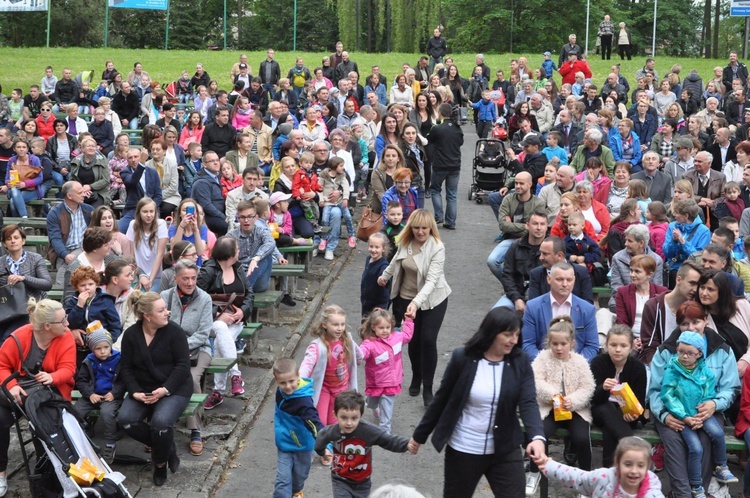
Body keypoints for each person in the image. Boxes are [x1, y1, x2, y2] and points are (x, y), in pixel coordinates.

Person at [409, 307, 547, 497]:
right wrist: (419, 436)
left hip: (505, 448)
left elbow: (528, 402)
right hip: (464, 448)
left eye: (516, 334)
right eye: (507, 335)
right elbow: (441, 399)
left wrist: (537, 438)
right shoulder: (462, 358)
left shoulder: (520, 361)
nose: (514, 340)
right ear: (491, 333)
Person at [647, 300, 740, 496]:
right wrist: (664, 415)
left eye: (696, 321)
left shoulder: (722, 349)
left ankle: (699, 490)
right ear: (678, 326)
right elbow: (655, 390)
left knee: (706, 438)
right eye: (684, 323)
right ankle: (681, 493)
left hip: (707, 410)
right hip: (671, 410)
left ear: (706, 321)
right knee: (675, 440)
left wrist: (714, 404)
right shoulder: (666, 350)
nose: (691, 327)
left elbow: (730, 388)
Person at [0, 297, 75, 496]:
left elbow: (68, 369)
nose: (67, 324)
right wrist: (13, 386)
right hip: (18, 391)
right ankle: (1, 472)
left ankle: (46, 474)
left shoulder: (65, 336)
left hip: (49, 392)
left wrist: (52, 376)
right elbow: (2, 365)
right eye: (63, 320)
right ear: (48, 326)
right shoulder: (18, 336)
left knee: (42, 421)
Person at [117, 291, 192, 486]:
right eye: (161, 310)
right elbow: (126, 368)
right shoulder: (131, 335)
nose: (167, 312)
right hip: (142, 388)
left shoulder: (175, 332)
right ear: (147, 316)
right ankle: (167, 448)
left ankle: (159, 463)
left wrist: (165, 390)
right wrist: (134, 392)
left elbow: (183, 366)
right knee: (126, 420)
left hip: (174, 388)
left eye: (165, 308)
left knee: (161, 423)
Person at [377, 210, 450, 405]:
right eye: (416, 228)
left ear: (430, 229)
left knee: (427, 340)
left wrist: (416, 303)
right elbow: (395, 261)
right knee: (413, 341)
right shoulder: (404, 241)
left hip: (432, 299)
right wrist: (385, 276)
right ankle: (416, 376)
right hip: (405, 298)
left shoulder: (437, 248)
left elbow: (432, 281)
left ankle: (428, 387)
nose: (420, 232)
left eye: (424, 228)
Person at [526, 315, 596, 494]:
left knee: (581, 438)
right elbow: (537, 381)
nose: (558, 348)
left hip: (574, 410)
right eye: (554, 344)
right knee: (540, 434)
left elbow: (588, 387)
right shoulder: (542, 359)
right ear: (549, 342)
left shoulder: (579, 362)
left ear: (571, 344)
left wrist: (573, 401)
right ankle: (534, 472)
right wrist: (553, 395)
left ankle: (586, 480)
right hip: (549, 407)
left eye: (563, 344)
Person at [315, 391, 414, 498]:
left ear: (361, 415)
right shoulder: (332, 431)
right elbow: (321, 439)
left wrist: (406, 445)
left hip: (362, 482)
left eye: (354, 418)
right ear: (335, 414)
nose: (349, 423)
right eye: (344, 417)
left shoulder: (368, 431)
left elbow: (387, 440)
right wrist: (323, 452)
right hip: (340, 480)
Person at [197, 236, 253, 408]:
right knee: (221, 328)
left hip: (235, 320)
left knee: (223, 341)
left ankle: (218, 392)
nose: (239, 252)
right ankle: (235, 375)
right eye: (236, 250)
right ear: (229, 254)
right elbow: (197, 300)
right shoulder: (208, 272)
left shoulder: (238, 268)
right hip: (212, 321)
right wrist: (217, 315)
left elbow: (250, 293)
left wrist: (242, 311)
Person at [589, 326, 648, 469]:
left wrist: (634, 416)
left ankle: (609, 471)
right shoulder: (598, 363)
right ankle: (633, 446)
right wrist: (603, 388)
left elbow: (639, 402)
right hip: (601, 409)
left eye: (623, 345)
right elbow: (592, 398)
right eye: (613, 345)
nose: (618, 349)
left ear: (631, 347)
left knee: (610, 430)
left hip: (625, 414)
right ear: (606, 345)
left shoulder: (638, 368)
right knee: (607, 408)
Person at [298, 305, 362, 427]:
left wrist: (361, 358)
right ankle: (322, 443)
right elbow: (308, 363)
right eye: (335, 325)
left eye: (342, 324)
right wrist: (300, 378)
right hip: (324, 388)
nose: (340, 328)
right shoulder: (318, 346)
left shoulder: (346, 339)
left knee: (336, 422)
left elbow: (358, 352)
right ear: (324, 325)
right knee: (320, 421)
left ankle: (333, 445)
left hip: (342, 388)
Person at [522, 262, 599, 361]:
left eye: (569, 280)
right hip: (543, 368)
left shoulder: (587, 309)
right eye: (559, 279)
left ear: (574, 280)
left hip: (575, 370)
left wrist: (573, 365)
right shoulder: (533, 307)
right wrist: (547, 364)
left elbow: (592, 346)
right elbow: (527, 344)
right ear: (549, 279)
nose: (565, 284)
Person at [271, 358, 325, 498]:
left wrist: (325, 444)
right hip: (284, 443)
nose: (288, 386)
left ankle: (296, 491)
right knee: (283, 480)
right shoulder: (280, 392)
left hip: (303, 446)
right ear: (276, 381)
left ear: (298, 376)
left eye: (291, 381)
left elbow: (314, 422)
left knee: (299, 477)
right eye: (283, 382)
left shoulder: (303, 401)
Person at [538, 437, 662, 496]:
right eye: (628, 464)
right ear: (617, 462)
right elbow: (578, 477)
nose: (634, 471)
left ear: (647, 467)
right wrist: (549, 466)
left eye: (640, 466)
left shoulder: (653, 494)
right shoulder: (604, 478)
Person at [358, 309, 414, 433]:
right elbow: (363, 351)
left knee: (387, 406)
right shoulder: (370, 343)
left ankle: (385, 430)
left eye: (388, 327)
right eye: (381, 328)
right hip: (376, 381)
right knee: (372, 402)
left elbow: (407, 336)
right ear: (373, 328)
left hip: (391, 381)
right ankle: (372, 405)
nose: (385, 331)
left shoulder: (397, 337)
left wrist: (409, 320)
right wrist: (358, 354)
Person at [73, 328, 123, 463]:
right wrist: (90, 394)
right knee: (75, 413)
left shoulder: (119, 359)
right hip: (92, 395)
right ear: (91, 349)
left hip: (109, 396)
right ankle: (80, 438)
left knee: (107, 414)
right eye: (98, 348)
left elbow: (124, 381)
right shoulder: (89, 361)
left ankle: (110, 443)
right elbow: (81, 381)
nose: (102, 351)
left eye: (106, 347)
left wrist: (114, 393)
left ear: (110, 345)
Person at [487, 171, 545, 278]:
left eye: (521, 183)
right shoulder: (508, 199)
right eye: (516, 183)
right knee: (492, 261)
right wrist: (525, 226)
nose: (518, 186)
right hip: (510, 239)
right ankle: (508, 284)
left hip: (530, 242)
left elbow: (537, 229)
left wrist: (512, 225)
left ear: (530, 184)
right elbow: (503, 225)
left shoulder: (538, 203)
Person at [699, 269, 750, 376]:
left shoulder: (742, 306)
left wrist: (746, 361)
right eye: (702, 287)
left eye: (710, 289)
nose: (704, 293)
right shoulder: (698, 315)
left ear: (722, 291)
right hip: (719, 378)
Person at [47, 181, 95, 286]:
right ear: (69, 196)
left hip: (84, 249)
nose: (84, 195)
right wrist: (65, 255)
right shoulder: (55, 213)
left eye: (83, 192)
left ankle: (60, 289)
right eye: (80, 193)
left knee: (72, 264)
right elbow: (55, 239)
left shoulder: (89, 210)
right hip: (63, 252)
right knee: (71, 263)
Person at [609, 223, 664, 310]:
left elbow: (657, 287)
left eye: (630, 241)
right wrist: (632, 303)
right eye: (626, 240)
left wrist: (644, 303)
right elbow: (616, 288)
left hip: (649, 302)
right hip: (622, 301)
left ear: (641, 243)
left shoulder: (657, 260)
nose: (625, 244)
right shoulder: (618, 258)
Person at [428, 104, 463, 229]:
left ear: (440, 113)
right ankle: (450, 221)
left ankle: (439, 216)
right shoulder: (457, 128)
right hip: (455, 165)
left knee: (435, 190)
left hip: (440, 165)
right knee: (452, 193)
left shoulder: (436, 128)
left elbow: (429, 141)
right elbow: (461, 143)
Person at [664, 199, 711, 284]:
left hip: (691, 274)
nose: (674, 215)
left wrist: (683, 242)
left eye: (677, 213)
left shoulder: (704, 231)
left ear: (686, 215)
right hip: (673, 271)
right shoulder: (672, 226)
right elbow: (666, 253)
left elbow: (699, 258)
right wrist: (673, 241)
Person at [127, 197, 168, 291]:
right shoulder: (133, 225)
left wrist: (150, 280)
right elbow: (131, 255)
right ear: (139, 213)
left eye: (151, 211)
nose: (149, 215)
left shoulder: (161, 224)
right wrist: (140, 275)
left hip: (157, 275)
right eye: (145, 212)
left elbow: (160, 254)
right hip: (138, 273)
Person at [192, 151, 229, 237]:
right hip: (206, 216)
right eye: (212, 161)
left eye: (217, 160)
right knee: (225, 226)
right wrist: (223, 217)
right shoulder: (201, 182)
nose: (216, 163)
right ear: (204, 164)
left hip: (222, 212)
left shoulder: (220, 177)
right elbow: (206, 205)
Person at [70, 136, 111, 209]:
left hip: (99, 193)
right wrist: (81, 189)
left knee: (91, 212)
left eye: (93, 146)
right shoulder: (76, 161)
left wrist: (90, 187)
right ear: (82, 148)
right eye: (88, 146)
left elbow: (106, 180)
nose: (91, 148)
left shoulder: (102, 160)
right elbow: (72, 180)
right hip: (80, 192)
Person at [361, 232, 391, 318]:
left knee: (376, 327)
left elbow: (385, 275)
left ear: (383, 249)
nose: (373, 250)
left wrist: (383, 279)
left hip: (378, 304)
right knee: (365, 326)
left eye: (377, 247)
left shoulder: (383, 265)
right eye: (371, 246)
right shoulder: (368, 259)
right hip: (366, 301)